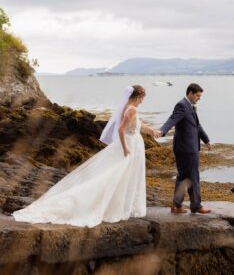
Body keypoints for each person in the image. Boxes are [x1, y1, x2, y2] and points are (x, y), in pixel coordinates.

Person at [13, 85, 157, 228]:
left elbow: (137, 124)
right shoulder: (131, 109)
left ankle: (117, 206)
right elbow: (121, 129)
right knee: (114, 176)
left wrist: (151, 130)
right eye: (142, 98)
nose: (142, 101)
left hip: (131, 144)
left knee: (121, 176)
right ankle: (108, 207)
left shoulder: (127, 107)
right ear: (138, 97)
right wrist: (125, 149)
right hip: (129, 145)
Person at [156, 83, 212, 214]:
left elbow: (197, 126)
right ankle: (196, 206)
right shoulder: (182, 105)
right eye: (198, 96)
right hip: (186, 149)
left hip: (188, 147)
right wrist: (162, 131)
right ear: (190, 93)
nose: (199, 98)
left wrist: (206, 139)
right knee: (193, 176)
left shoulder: (191, 107)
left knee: (184, 176)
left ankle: (177, 206)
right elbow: (172, 119)